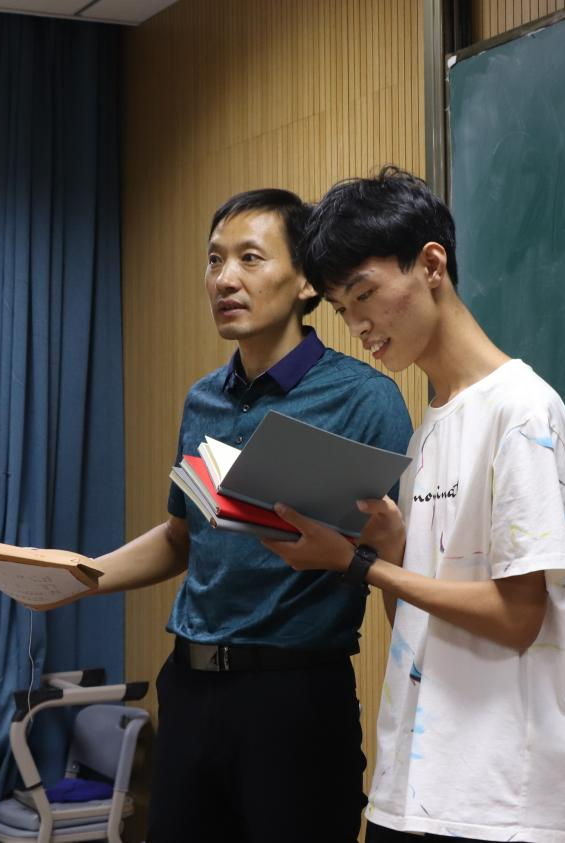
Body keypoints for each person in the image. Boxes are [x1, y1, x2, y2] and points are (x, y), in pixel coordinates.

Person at [266, 167, 565, 843]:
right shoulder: (430, 428)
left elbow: (517, 618)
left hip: (502, 803)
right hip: (413, 789)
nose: (358, 325)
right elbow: (414, 625)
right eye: (342, 308)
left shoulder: (520, 410)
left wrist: (358, 565)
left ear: (430, 265)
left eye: (365, 294)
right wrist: (391, 548)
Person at [72, 188, 413, 843]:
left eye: (250, 258)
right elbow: (181, 535)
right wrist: (80, 576)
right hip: (189, 686)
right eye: (214, 260)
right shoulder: (203, 398)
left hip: (294, 696)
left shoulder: (365, 399)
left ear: (307, 281)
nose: (224, 279)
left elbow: (396, 557)